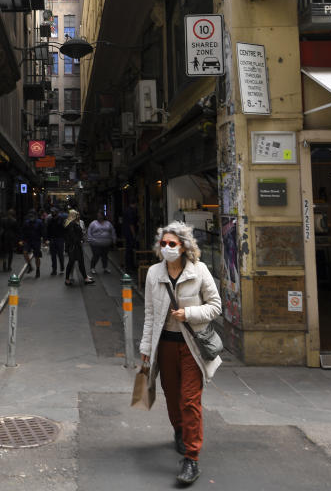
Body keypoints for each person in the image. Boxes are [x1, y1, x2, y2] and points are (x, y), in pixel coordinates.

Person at [140, 221, 222, 486]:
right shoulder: (154, 273)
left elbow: (215, 306)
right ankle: (179, 429)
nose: (166, 248)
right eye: (163, 244)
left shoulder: (199, 271)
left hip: (191, 346)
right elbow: (150, 314)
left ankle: (192, 457)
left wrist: (189, 313)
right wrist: (145, 349)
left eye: (172, 244)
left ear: (184, 246)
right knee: (172, 395)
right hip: (164, 345)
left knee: (189, 399)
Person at [63, 208, 91, 285]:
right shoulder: (71, 224)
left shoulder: (72, 223)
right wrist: (79, 241)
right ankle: (68, 279)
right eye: (76, 214)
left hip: (75, 246)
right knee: (72, 262)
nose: (77, 215)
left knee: (79, 262)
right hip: (74, 246)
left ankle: (85, 278)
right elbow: (72, 236)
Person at [87, 210, 116, 275]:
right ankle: (92, 268)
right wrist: (90, 240)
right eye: (98, 215)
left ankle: (105, 267)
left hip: (106, 243)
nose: (99, 216)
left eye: (100, 215)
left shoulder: (108, 223)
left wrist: (114, 240)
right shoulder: (93, 223)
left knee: (105, 256)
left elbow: (112, 231)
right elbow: (89, 232)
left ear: (103, 216)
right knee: (96, 255)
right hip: (95, 243)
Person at [21, 209, 44, 278]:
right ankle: (30, 266)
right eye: (30, 216)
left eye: (32, 215)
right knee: (25, 252)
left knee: (37, 256)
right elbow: (23, 231)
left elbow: (43, 231)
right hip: (28, 241)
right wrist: (22, 239)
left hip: (36, 241)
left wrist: (44, 239)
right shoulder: (26, 222)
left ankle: (38, 270)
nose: (31, 217)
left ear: (35, 216)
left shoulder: (39, 222)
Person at [45, 207, 66, 276]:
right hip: (52, 239)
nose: (52, 213)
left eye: (53, 212)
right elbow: (48, 230)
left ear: (56, 212)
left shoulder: (61, 219)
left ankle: (62, 268)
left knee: (60, 255)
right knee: (53, 256)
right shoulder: (50, 220)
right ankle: (54, 270)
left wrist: (64, 238)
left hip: (60, 239)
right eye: (52, 212)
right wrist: (47, 239)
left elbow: (65, 229)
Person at [123, 203, 139, 274]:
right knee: (130, 251)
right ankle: (130, 267)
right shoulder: (131, 211)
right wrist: (134, 234)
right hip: (130, 234)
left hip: (126, 233)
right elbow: (131, 224)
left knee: (128, 251)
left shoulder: (127, 210)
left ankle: (129, 267)